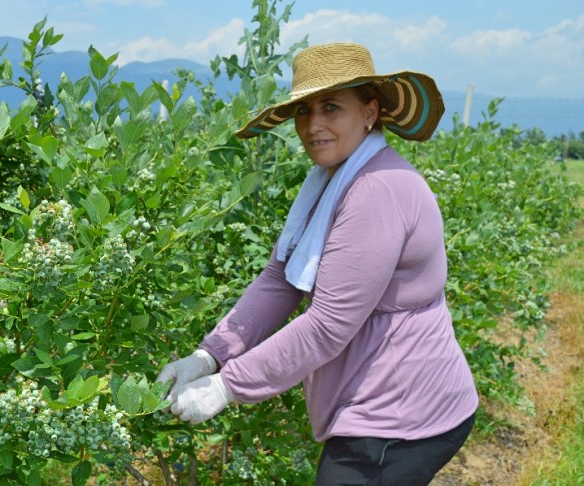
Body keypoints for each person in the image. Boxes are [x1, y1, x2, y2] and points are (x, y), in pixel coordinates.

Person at [156, 42, 479, 485]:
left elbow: (328, 325)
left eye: (331, 107)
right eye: (304, 111)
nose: (314, 124)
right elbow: (280, 280)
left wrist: (227, 387)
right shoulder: (331, 181)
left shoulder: (376, 190)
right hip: (374, 404)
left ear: (370, 113)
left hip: (402, 414)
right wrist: (208, 355)